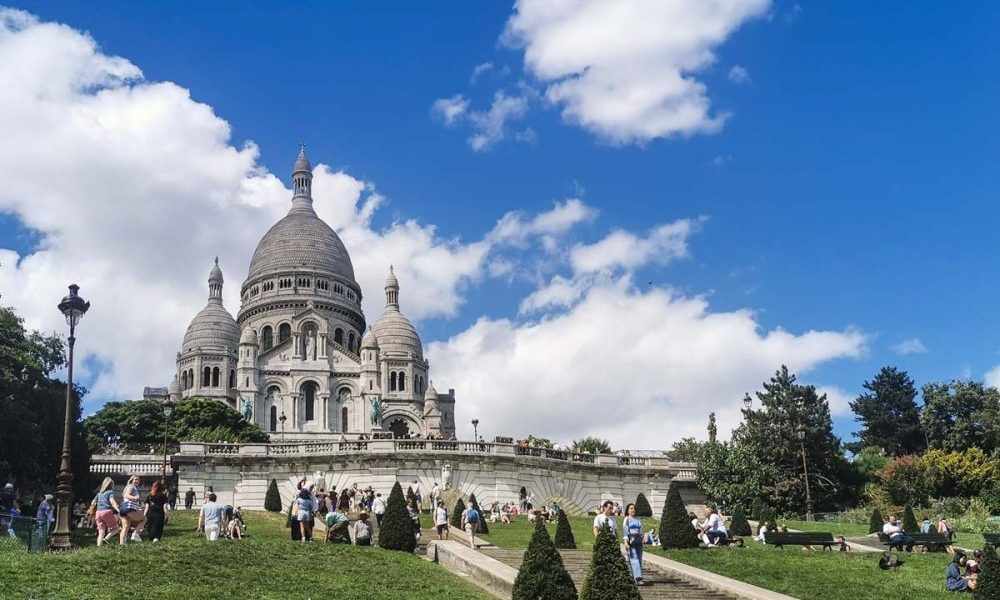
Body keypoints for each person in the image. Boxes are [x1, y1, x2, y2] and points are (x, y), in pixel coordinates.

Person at [92, 477, 120, 547]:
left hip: (98, 513)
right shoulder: (110, 492)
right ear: (111, 485)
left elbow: (93, 503)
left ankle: (99, 547)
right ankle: (106, 539)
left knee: (101, 532)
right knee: (116, 528)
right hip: (106, 511)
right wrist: (118, 510)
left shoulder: (99, 493)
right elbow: (112, 501)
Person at [119, 475, 147, 544]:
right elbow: (127, 495)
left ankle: (121, 544)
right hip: (129, 507)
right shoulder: (131, 486)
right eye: (135, 479)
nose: (137, 481)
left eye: (138, 480)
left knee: (125, 527)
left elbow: (125, 496)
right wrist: (135, 498)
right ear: (132, 480)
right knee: (144, 519)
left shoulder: (127, 487)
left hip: (123, 508)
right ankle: (135, 534)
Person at [622, 503, 645, 586]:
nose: (633, 510)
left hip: (638, 540)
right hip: (631, 540)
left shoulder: (638, 519)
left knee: (639, 559)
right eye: (631, 508)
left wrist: (643, 538)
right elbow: (625, 531)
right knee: (634, 558)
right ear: (628, 510)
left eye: (634, 508)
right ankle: (638, 578)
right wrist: (626, 542)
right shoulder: (626, 519)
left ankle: (635, 576)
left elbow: (641, 530)